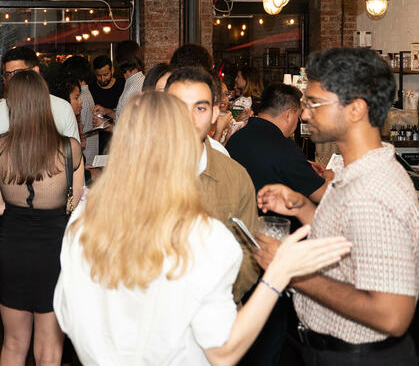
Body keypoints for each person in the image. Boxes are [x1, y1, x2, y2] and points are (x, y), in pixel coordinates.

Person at [54, 91, 351, 366]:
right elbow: (223, 351)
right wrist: (278, 274)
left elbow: (68, 317)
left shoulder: (82, 225)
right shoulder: (202, 236)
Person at [256, 47, 419, 366]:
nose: (304, 114)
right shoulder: (355, 172)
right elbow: (350, 245)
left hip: (359, 357)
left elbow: (391, 314)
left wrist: (291, 272)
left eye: (315, 103)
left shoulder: (374, 190)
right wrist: (302, 206)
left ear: (356, 109)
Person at [226, 81, 328, 366]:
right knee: (273, 332)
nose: (297, 125)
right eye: (297, 118)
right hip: (274, 249)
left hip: (239, 244)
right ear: (289, 115)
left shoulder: (236, 139)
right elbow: (321, 195)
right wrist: (330, 177)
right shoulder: (283, 147)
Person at [0, 70, 84, 366]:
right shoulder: (69, 149)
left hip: (10, 249)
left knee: (12, 344)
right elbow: (77, 204)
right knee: (49, 350)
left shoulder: (0, 148)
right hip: (55, 251)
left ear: (14, 104)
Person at [166, 67, 259, 302]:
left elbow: (248, 254)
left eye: (200, 108)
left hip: (218, 319)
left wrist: (219, 298)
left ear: (215, 112)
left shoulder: (235, 177)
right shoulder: (137, 172)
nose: (189, 118)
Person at [0, 47, 79, 141]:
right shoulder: (2, 109)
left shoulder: (62, 108)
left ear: (35, 71)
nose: (13, 80)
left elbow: (72, 152)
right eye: (8, 74)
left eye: (18, 73)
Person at [62, 55, 98, 165]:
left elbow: (78, 127)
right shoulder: (87, 92)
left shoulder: (80, 95)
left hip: (85, 157)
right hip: (89, 154)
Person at [89, 55, 124, 154]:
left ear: (112, 70)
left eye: (105, 74)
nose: (102, 79)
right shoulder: (91, 89)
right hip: (98, 142)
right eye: (98, 75)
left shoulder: (122, 85)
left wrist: (106, 111)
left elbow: (126, 114)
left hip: (119, 139)